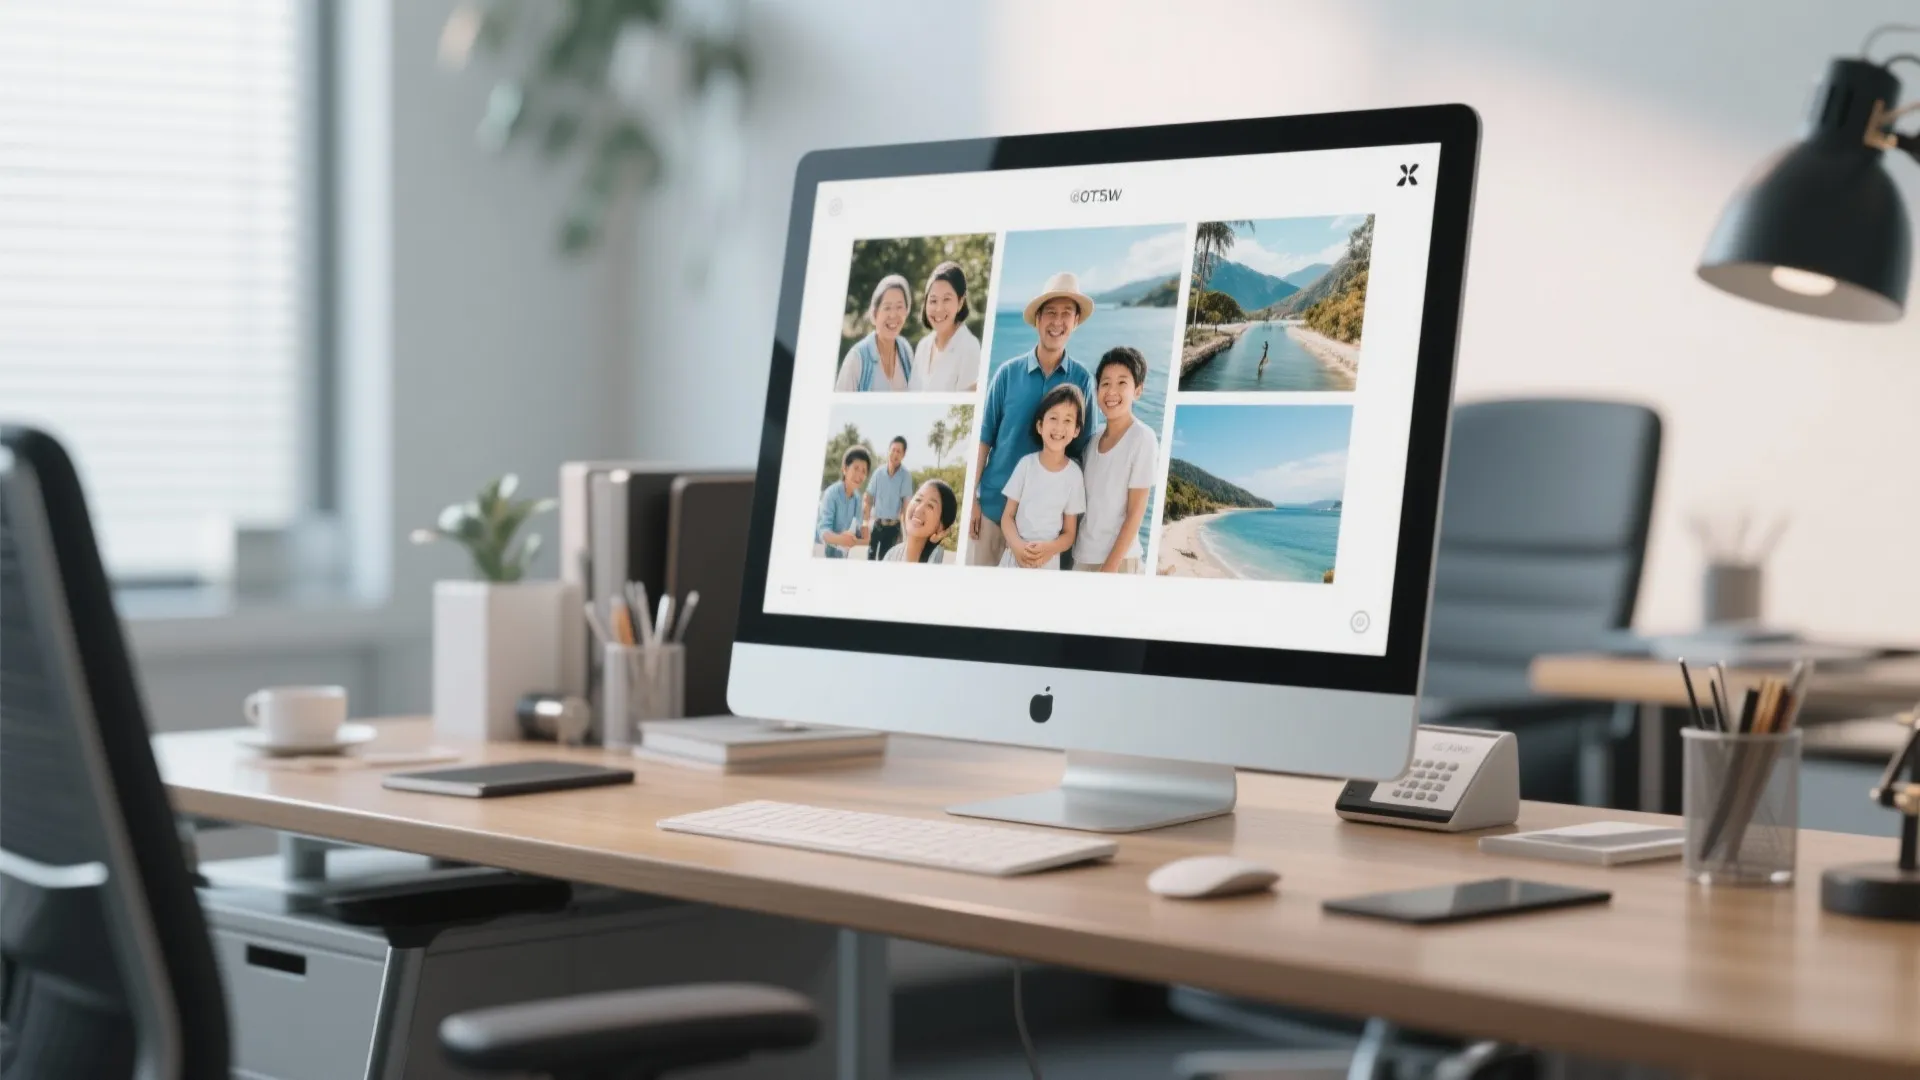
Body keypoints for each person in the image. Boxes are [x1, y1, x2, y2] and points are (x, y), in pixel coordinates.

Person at [968, 271, 1100, 566]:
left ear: (1076, 322)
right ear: (1037, 319)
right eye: (1050, 313)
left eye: (1066, 313)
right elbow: (983, 441)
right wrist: (971, 501)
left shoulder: (1083, 380)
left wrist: (1073, 526)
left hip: (1044, 528)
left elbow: (1083, 452)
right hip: (992, 510)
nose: (1057, 321)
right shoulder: (1006, 373)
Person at [1073, 347, 1159, 574]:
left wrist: (1109, 567)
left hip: (1117, 562)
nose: (1112, 391)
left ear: (1137, 391)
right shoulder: (1093, 440)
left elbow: (1136, 512)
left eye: (1122, 383)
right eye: (1105, 383)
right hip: (1082, 556)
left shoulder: (1142, 437)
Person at [998, 385, 1087, 570]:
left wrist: (1049, 549)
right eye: (1053, 418)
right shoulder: (1026, 464)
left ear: (1076, 430)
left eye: (1068, 420)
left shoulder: (1074, 475)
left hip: (1047, 562)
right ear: (1040, 425)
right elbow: (1007, 516)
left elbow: (1069, 534)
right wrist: (1018, 547)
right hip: (1013, 558)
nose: (1059, 427)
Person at [908, 261, 982, 392]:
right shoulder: (923, 346)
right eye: (933, 300)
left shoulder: (970, 347)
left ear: (960, 302)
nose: (939, 308)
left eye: (947, 299)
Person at [834, 275, 914, 392]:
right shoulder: (857, 358)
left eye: (899, 307)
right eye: (887, 308)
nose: (893, 315)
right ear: (875, 313)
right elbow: (840, 407)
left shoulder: (905, 350)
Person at [881, 479, 958, 564]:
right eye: (918, 500)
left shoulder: (945, 563)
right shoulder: (892, 555)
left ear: (941, 527)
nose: (918, 509)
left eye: (930, 506)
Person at [864, 435, 914, 561]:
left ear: (903, 455)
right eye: (893, 450)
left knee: (885, 560)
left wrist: (906, 533)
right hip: (877, 525)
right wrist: (865, 523)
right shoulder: (878, 473)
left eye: (899, 451)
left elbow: (906, 506)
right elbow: (868, 498)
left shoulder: (905, 476)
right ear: (888, 451)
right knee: (870, 558)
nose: (895, 454)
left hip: (893, 528)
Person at [815, 446, 871, 558]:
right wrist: (841, 539)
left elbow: (857, 530)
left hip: (842, 556)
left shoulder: (857, 498)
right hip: (820, 553)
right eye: (856, 468)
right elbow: (823, 531)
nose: (859, 475)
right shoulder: (831, 494)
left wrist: (864, 531)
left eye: (864, 471)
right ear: (845, 469)